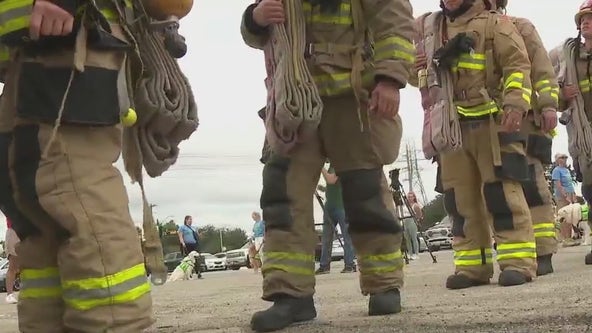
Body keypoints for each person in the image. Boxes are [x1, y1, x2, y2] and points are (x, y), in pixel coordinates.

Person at [241, 0, 415, 331]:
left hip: (352, 96)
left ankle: (384, 284)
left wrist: (390, 78)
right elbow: (256, 33)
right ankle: (290, 295)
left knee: (365, 192)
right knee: (282, 194)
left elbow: (393, 20)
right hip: (295, 98)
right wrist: (255, 18)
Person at [0, 1, 155, 332]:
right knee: (31, 207)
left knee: (76, 196)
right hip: (25, 52)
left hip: (76, 32)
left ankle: (117, 325)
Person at [414, 0, 536, 290]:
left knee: (501, 193)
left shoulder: (496, 24)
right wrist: (415, 66)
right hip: (452, 127)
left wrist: (515, 105)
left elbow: (517, 65)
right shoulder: (433, 30)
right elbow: (419, 76)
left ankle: (517, 262)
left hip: (492, 122)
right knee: (459, 201)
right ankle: (472, 266)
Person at [493, 0, 559, 276]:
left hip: (527, 121)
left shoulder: (521, 27)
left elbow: (543, 72)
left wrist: (548, 105)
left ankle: (543, 251)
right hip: (491, 122)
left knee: (532, 185)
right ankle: (516, 252)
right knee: (501, 190)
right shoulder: (466, 32)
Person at [549, 0, 592, 265]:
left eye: (590, 18)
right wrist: (560, 95)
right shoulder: (567, 55)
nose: (585, 22)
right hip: (584, 135)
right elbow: (545, 78)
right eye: (582, 19)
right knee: (590, 189)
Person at [315, 164, 356, 274]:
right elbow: (333, 186)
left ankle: (349, 264)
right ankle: (324, 265)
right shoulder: (331, 167)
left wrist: (320, 167)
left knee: (347, 236)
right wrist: (321, 188)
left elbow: (331, 180)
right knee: (326, 238)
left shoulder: (341, 165)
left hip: (341, 206)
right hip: (330, 206)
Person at [402, 192, 423, 260]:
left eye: (411, 197)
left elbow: (420, 214)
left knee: (413, 238)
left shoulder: (415, 205)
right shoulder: (404, 205)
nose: (410, 198)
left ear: (414, 197)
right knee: (407, 239)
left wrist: (416, 220)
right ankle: (410, 253)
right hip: (405, 221)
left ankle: (416, 253)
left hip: (412, 221)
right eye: (409, 197)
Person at [4, 217, 20, 304]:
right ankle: (9, 294)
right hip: (13, 230)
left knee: (28, 263)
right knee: (13, 265)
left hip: (27, 230)